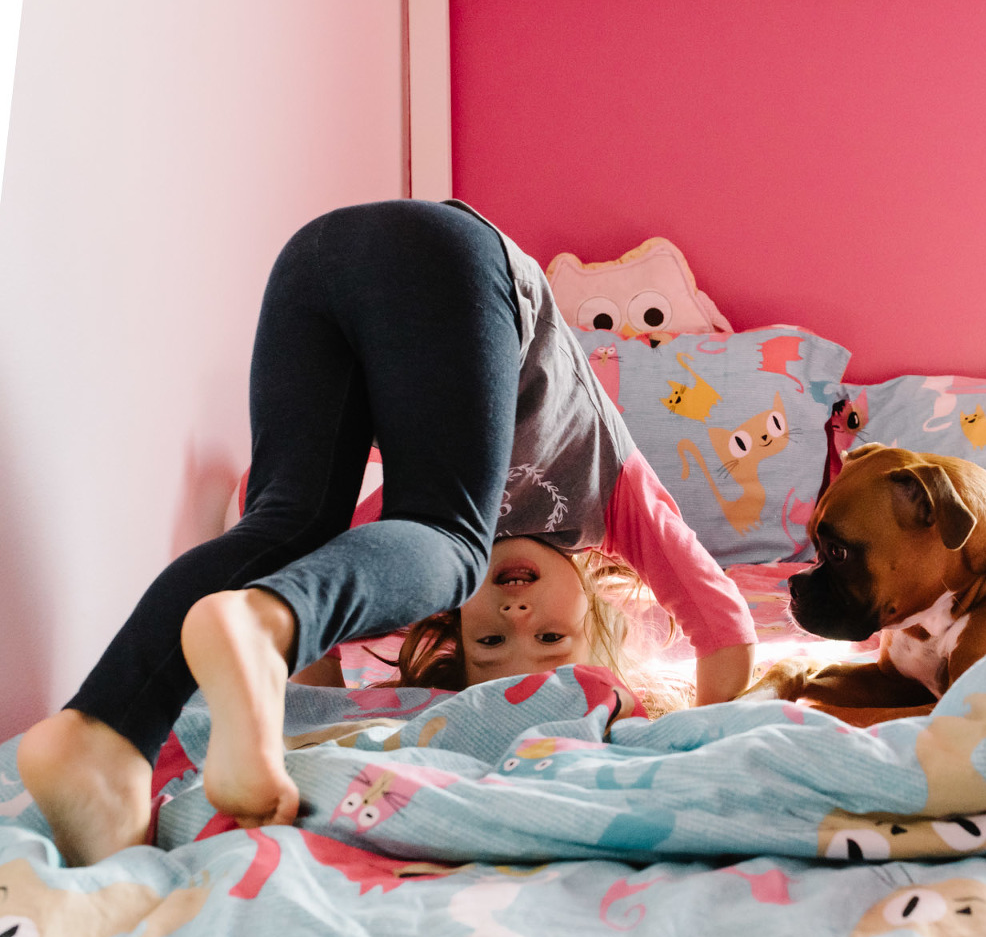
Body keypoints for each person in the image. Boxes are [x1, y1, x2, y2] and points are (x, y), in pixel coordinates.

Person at [16, 199, 756, 867]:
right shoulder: (612, 498)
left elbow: (304, 553)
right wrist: (685, 740)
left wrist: (298, 690)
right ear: (594, 604)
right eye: (553, 642)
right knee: (446, 542)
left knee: (292, 528)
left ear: (449, 628)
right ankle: (256, 634)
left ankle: (103, 736)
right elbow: (725, 628)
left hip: (314, 258)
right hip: (453, 253)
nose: (518, 620)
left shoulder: (391, 541)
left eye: (491, 644)